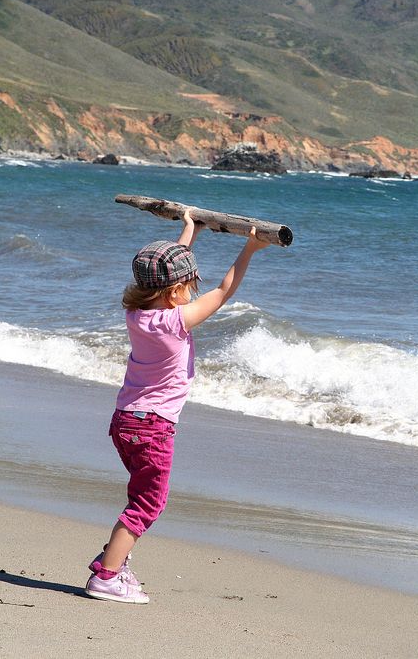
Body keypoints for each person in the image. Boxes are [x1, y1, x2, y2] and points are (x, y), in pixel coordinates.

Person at [85, 210, 270, 603]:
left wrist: (190, 229)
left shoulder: (137, 314)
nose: (193, 290)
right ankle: (107, 575)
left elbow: (165, 272)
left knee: (140, 495)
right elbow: (223, 292)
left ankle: (114, 559)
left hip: (125, 423)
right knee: (147, 503)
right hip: (152, 426)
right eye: (189, 285)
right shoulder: (175, 323)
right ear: (174, 293)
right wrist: (250, 247)